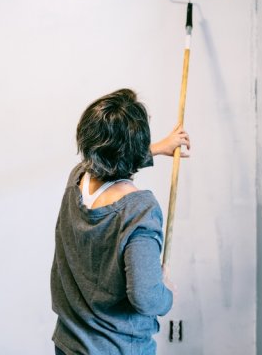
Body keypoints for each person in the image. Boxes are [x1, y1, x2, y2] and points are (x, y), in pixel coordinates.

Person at [51, 88, 191, 355]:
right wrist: (165, 293)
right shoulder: (139, 212)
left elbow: (108, 159)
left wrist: (159, 148)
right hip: (117, 349)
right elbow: (146, 297)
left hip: (69, 342)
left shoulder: (77, 179)